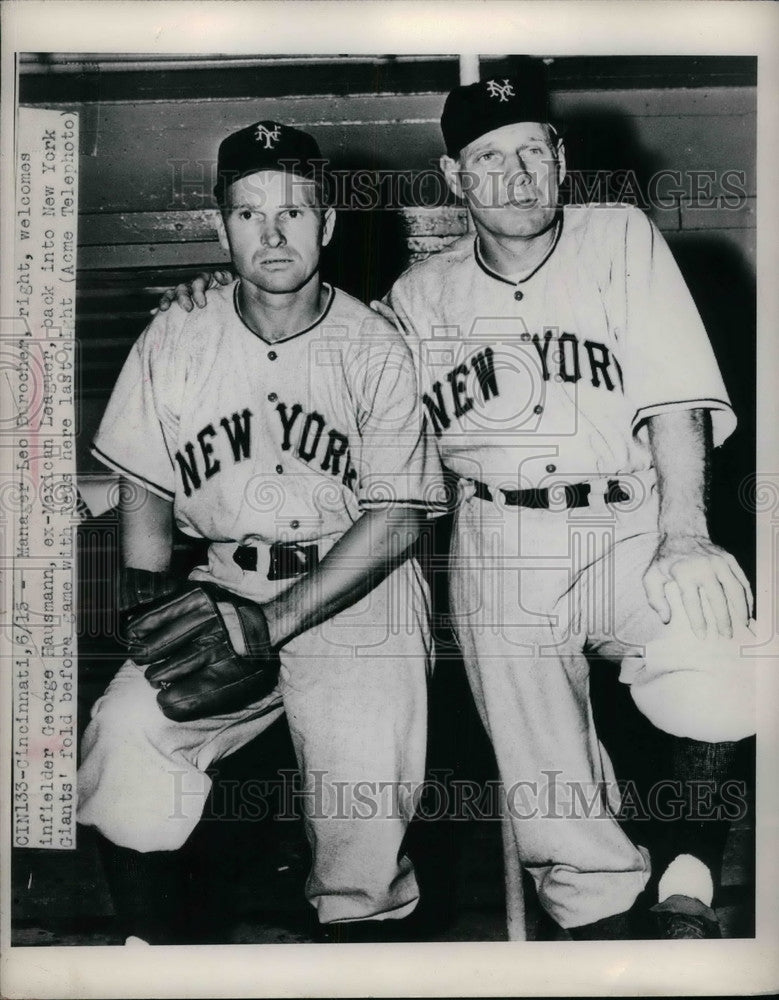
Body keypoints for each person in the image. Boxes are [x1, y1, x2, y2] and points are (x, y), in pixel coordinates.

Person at [156, 63, 756, 940]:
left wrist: (685, 532)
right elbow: (323, 356)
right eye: (488, 159)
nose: (515, 177)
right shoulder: (416, 298)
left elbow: (673, 399)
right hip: (497, 534)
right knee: (546, 783)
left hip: (630, 517)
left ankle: (688, 865)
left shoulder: (617, 237)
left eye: (531, 152)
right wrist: (223, 299)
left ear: (560, 157)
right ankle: (604, 930)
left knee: (729, 655)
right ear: (454, 177)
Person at [77, 120, 446, 944]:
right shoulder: (178, 331)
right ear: (221, 229)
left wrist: (270, 625)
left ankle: (362, 960)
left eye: (293, 213)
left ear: (329, 223)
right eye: (249, 214)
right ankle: (152, 956)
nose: (272, 235)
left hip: (358, 589)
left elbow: (395, 520)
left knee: (360, 817)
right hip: (225, 577)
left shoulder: (375, 345)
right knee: (127, 734)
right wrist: (150, 602)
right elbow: (145, 482)